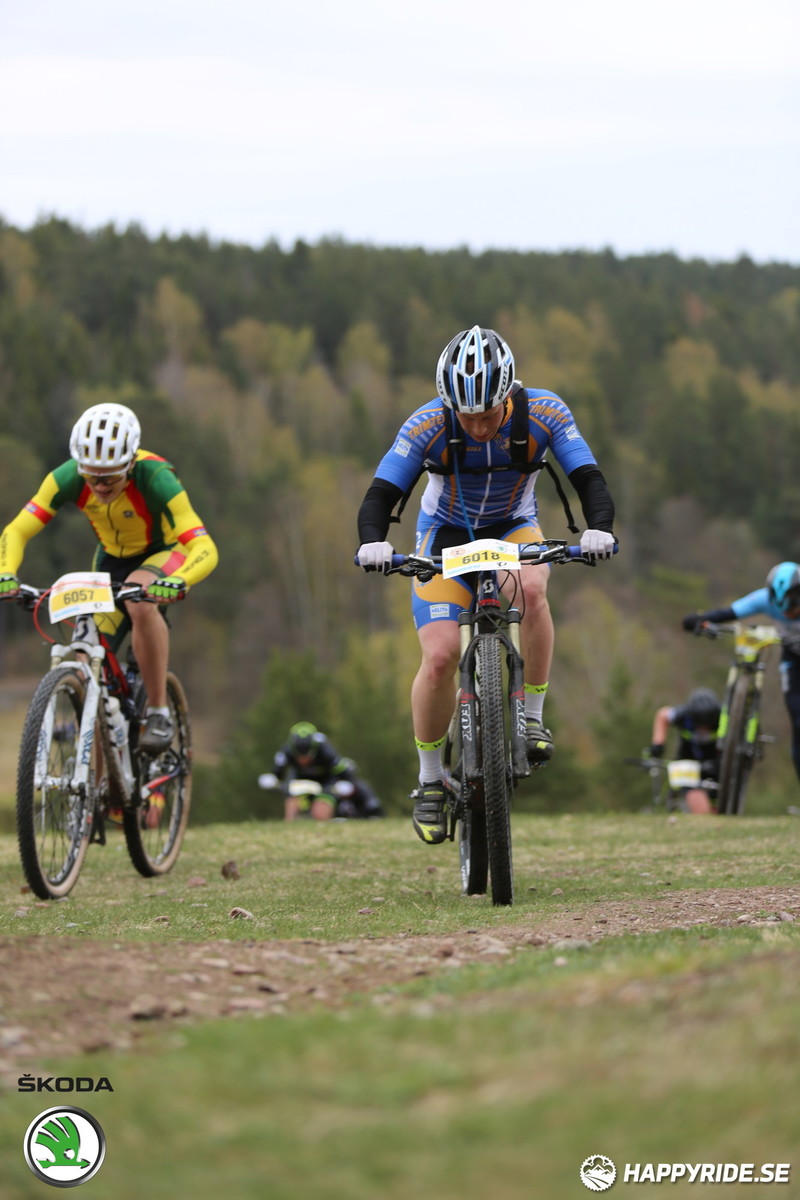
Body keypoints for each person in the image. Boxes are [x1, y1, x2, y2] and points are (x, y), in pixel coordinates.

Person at [355, 325, 616, 845]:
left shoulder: (545, 412)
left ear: (508, 396)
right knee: (439, 657)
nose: (475, 426)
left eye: (487, 414)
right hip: (443, 537)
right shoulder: (428, 422)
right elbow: (381, 493)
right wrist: (373, 541)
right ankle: (430, 780)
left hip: (514, 527)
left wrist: (600, 529)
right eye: (466, 415)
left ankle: (533, 717)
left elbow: (589, 478)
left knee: (533, 590)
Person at [0, 402, 218, 751]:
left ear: (130, 463)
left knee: (139, 600)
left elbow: (204, 545)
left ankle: (159, 710)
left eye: (111, 476)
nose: (100, 486)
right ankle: (102, 788)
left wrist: (181, 580)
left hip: (164, 552)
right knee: (89, 662)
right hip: (110, 559)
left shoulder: (157, 477)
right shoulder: (66, 477)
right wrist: (5, 573)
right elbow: (17, 530)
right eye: (91, 476)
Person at [683, 562, 800, 788]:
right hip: (793, 658)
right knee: (798, 720)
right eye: (780, 609)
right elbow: (728, 613)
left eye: (792, 609)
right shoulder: (764, 600)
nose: (786, 614)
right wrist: (699, 620)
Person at [271, 722, 384, 820]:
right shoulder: (286, 749)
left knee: (321, 814)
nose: (303, 760)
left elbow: (343, 769)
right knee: (292, 808)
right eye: (300, 756)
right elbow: (277, 772)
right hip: (299, 784)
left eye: (307, 755)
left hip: (325, 785)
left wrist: (346, 783)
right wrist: (273, 779)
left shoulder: (325, 749)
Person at [649, 687, 722, 814]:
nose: (704, 728)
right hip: (687, 758)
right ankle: (702, 818)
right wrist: (658, 743)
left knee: (717, 802)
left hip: (717, 759)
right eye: (700, 723)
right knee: (696, 797)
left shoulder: (725, 716)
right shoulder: (682, 714)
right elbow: (662, 715)